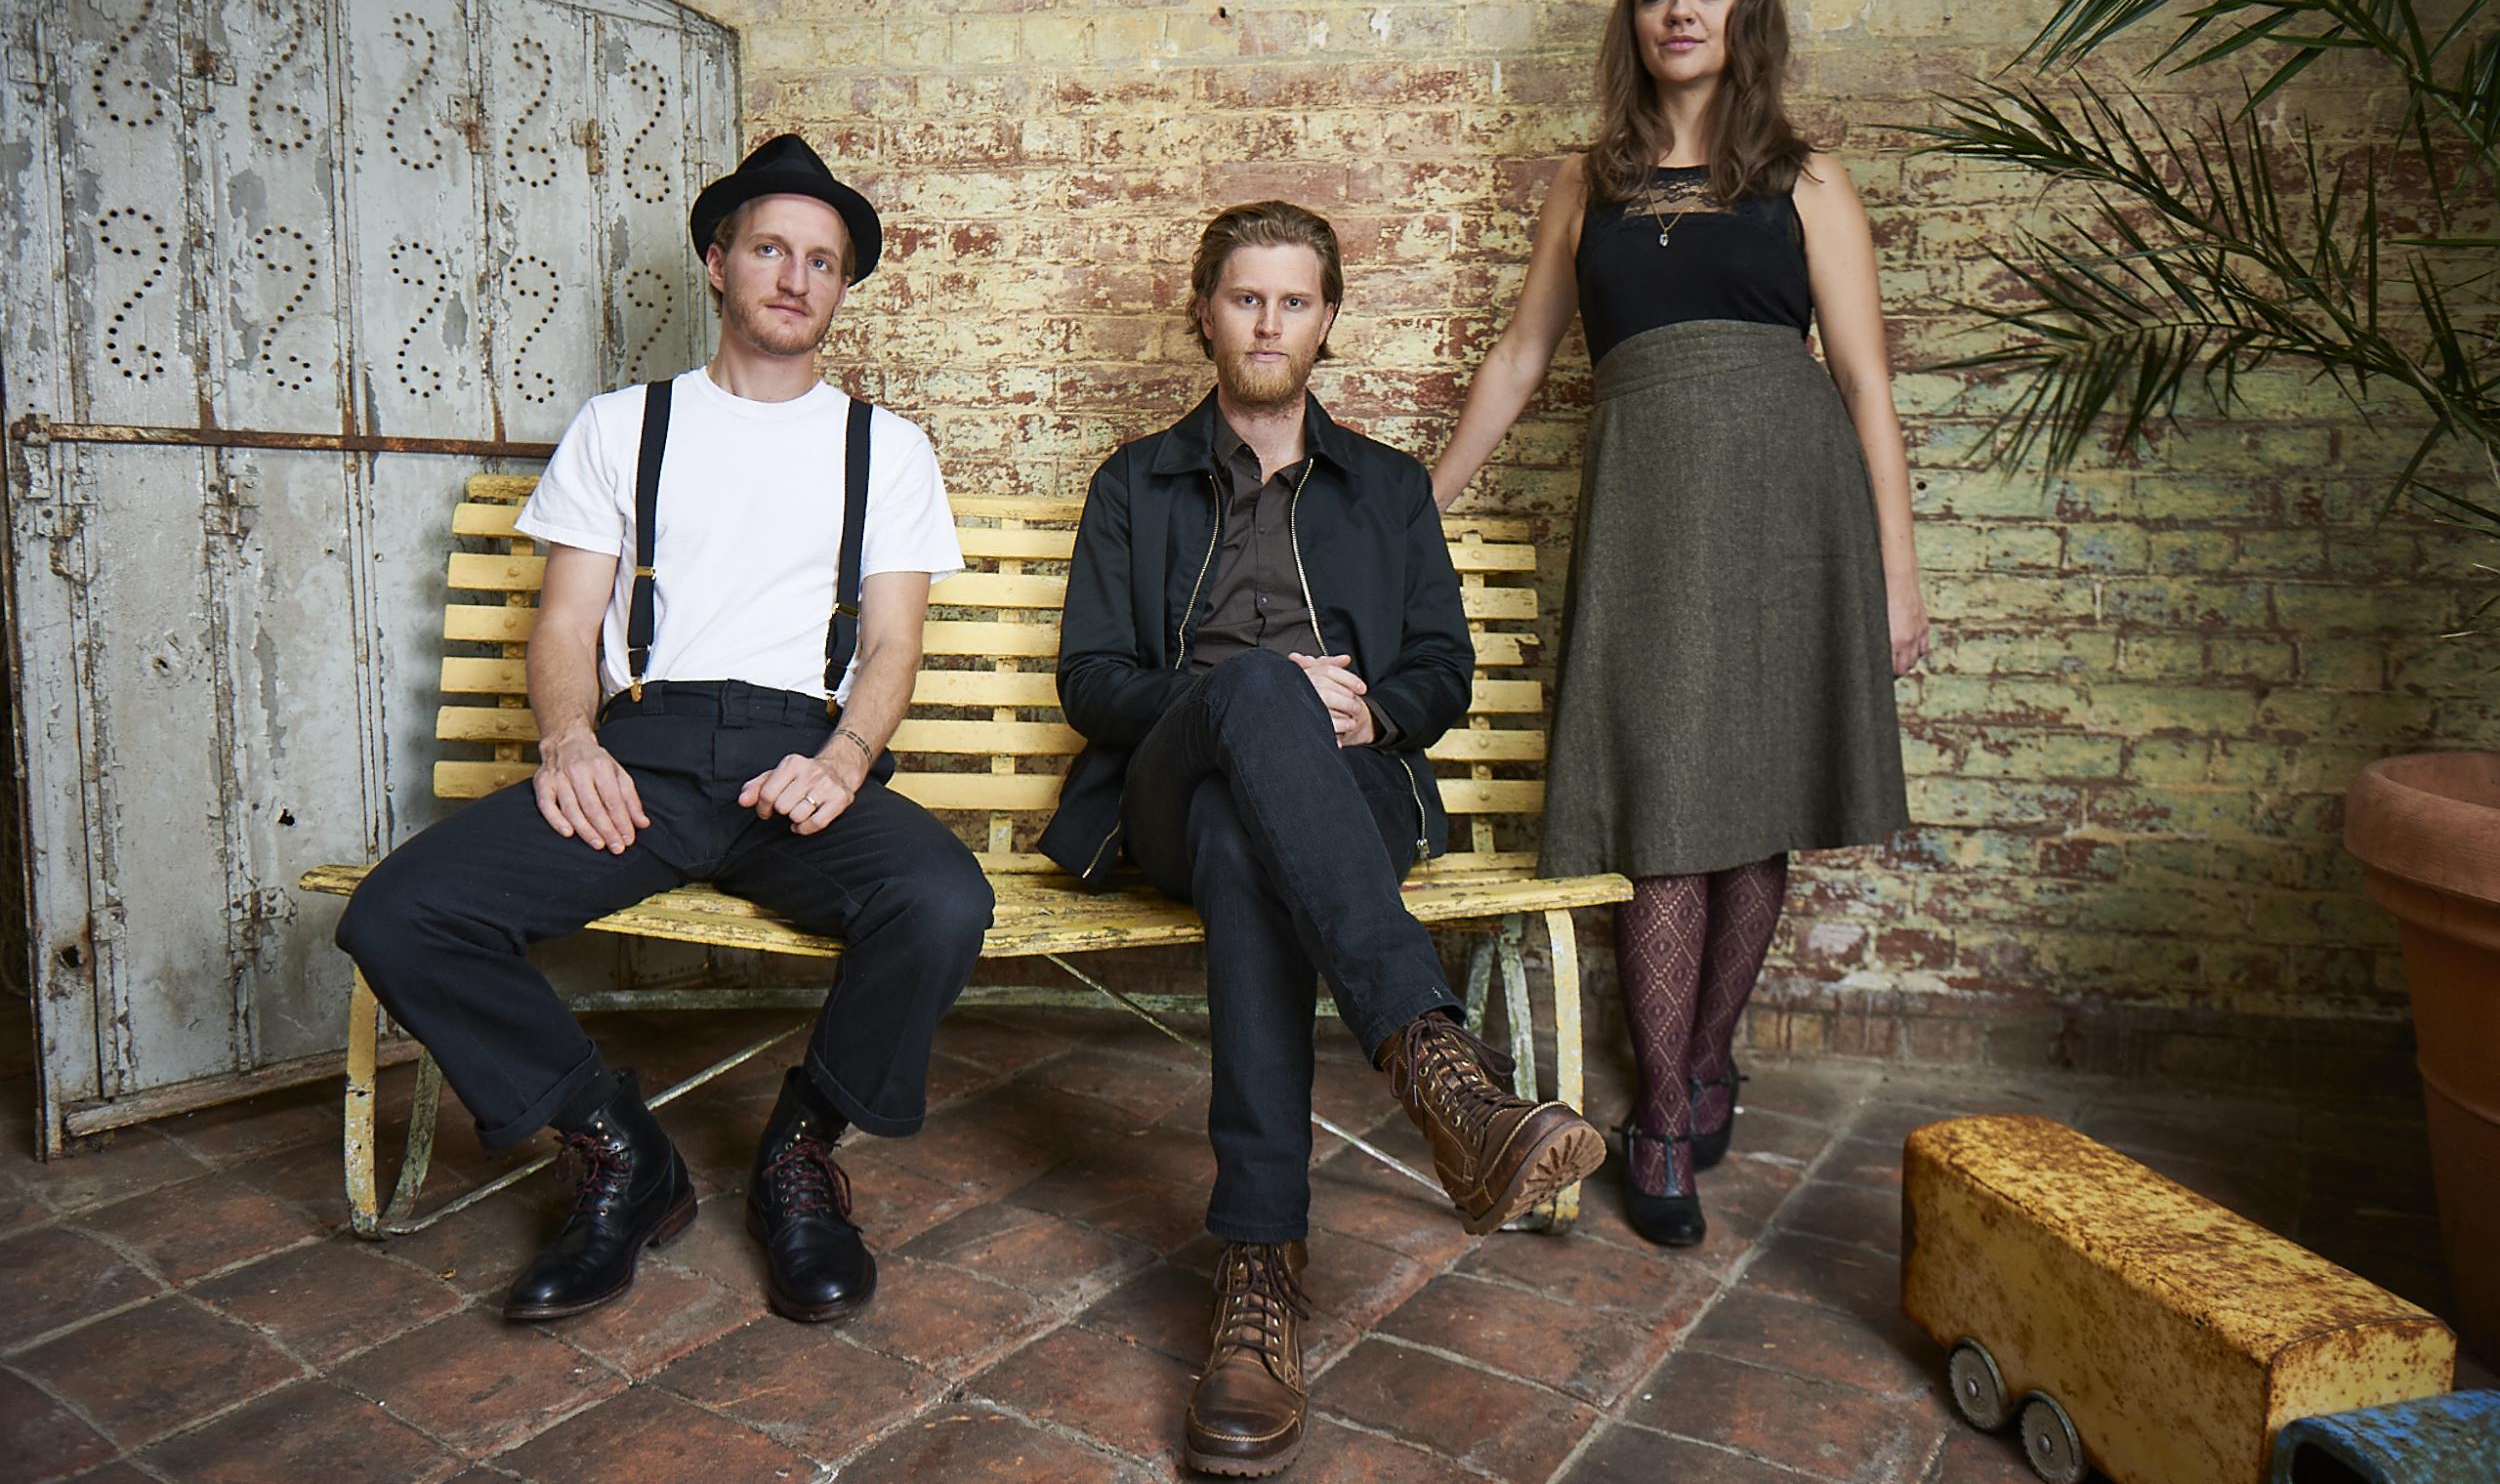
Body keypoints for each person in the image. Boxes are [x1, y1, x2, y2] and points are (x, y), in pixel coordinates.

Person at [335, 134, 993, 1325]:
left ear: (842, 287)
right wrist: (571, 742)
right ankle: (622, 1152)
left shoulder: (883, 448)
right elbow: (565, 623)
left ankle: (801, 1151)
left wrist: (844, 759)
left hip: (798, 768)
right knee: (398, 912)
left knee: (942, 898)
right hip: (641, 760)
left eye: (823, 262)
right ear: (717, 263)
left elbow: (893, 642)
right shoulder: (622, 426)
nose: (795, 278)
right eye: (770, 250)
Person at [1042, 201, 1607, 1477]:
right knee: (1253, 692)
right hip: (1165, 794)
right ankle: (1442, 1074)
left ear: (1329, 319)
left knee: (1259, 838)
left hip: (1340, 795)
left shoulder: (1391, 487)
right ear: (1202, 310)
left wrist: (1367, 712)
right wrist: (1251, 693)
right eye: (1245, 297)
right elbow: (1090, 677)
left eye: (1294, 301)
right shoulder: (1134, 480)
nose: (1267, 323)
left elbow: (1443, 673)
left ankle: (1257, 1265)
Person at [1430, 0, 1923, 1249]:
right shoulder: (1585, 181)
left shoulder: (1808, 180)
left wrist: (1896, 570)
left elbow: (1871, 384)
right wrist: (1427, 496)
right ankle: (1659, 1113)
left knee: (1755, 802)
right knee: (1664, 802)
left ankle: (1706, 1058)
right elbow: (1525, 356)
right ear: (1635, 23)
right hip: (1650, 502)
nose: (1681, 11)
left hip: (1790, 503)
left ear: (1745, 12)